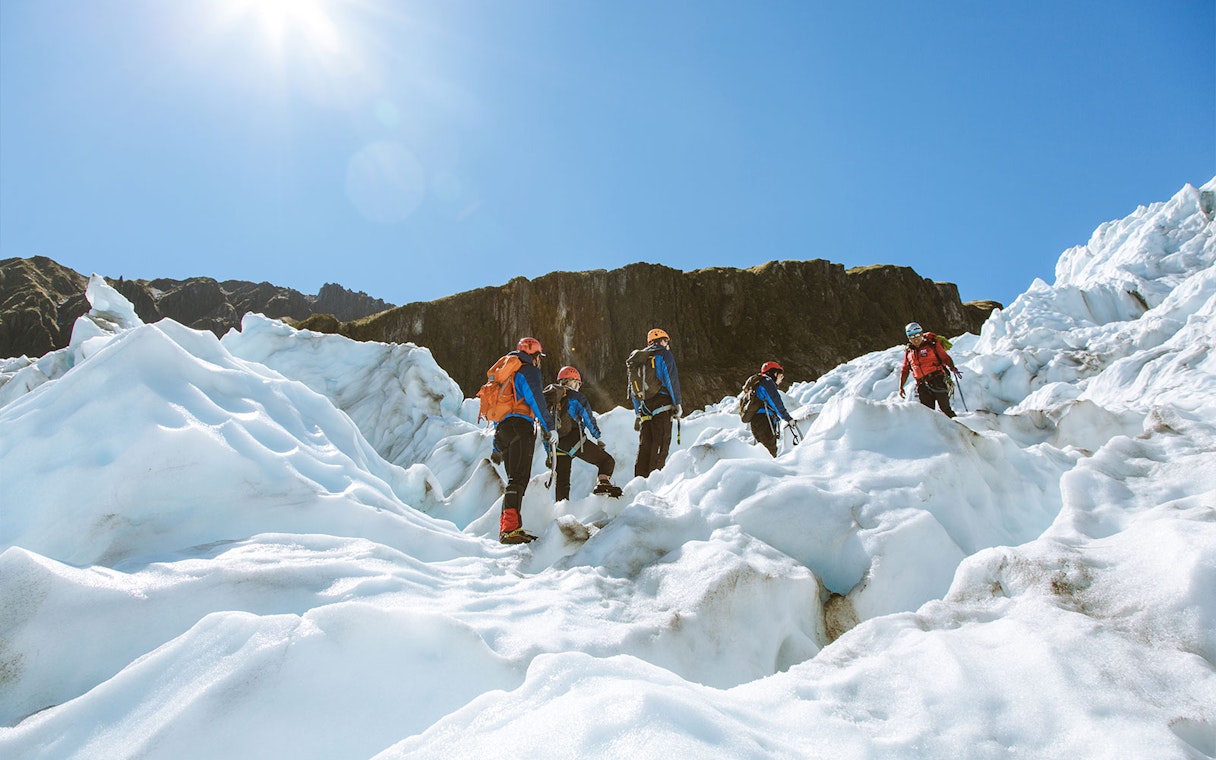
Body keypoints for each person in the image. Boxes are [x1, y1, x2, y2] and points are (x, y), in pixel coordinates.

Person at [490, 337, 557, 544]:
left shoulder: (506, 373)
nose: (539, 361)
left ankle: (510, 527)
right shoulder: (527, 370)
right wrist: (549, 428)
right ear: (535, 355)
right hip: (521, 426)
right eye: (539, 357)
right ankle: (509, 530)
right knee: (518, 479)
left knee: (513, 480)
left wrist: (497, 443)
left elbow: (498, 410)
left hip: (504, 429)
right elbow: (536, 399)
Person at [544, 366, 622, 501]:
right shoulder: (576, 397)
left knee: (562, 482)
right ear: (572, 382)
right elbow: (588, 419)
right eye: (577, 383)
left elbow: (544, 427)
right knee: (606, 461)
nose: (578, 386)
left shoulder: (550, 399)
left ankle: (562, 512)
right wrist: (598, 436)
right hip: (574, 441)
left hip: (556, 445)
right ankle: (603, 484)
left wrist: (549, 453)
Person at [627, 328, 682, 477]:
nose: (667, 344)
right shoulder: (664, 354)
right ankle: (653, 482)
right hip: (662, 404)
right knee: (660, 444)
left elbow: (633, 389)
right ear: (662, 341)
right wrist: (677, 403)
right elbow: (671, 379)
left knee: (645, 446)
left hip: (645, 407)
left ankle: (638, 481)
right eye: (666, 341)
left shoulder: (638, 359)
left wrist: (638, 412)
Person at [898, 322, 961, 418]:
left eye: (917, 334)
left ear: (922, 334)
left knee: (945, 409)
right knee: (928, 413)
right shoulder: (908, 352)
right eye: (912, 336)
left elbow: (945, 357)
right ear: (908, 338)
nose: (915, 338)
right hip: (922, 385)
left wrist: (952, 367)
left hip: (938, 380)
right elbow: (905, 369)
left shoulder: (932, 345)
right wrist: (901, 386)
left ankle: (958, 430)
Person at [749, 361, 795, 456]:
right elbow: (776, 403)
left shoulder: (759, 384)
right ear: (775, 373)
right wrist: (788, 418)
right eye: (781, 376)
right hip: (764, 421)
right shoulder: (767, 382)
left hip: (756, 421)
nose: (781, 380)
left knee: (763, 453)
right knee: (770, 453)